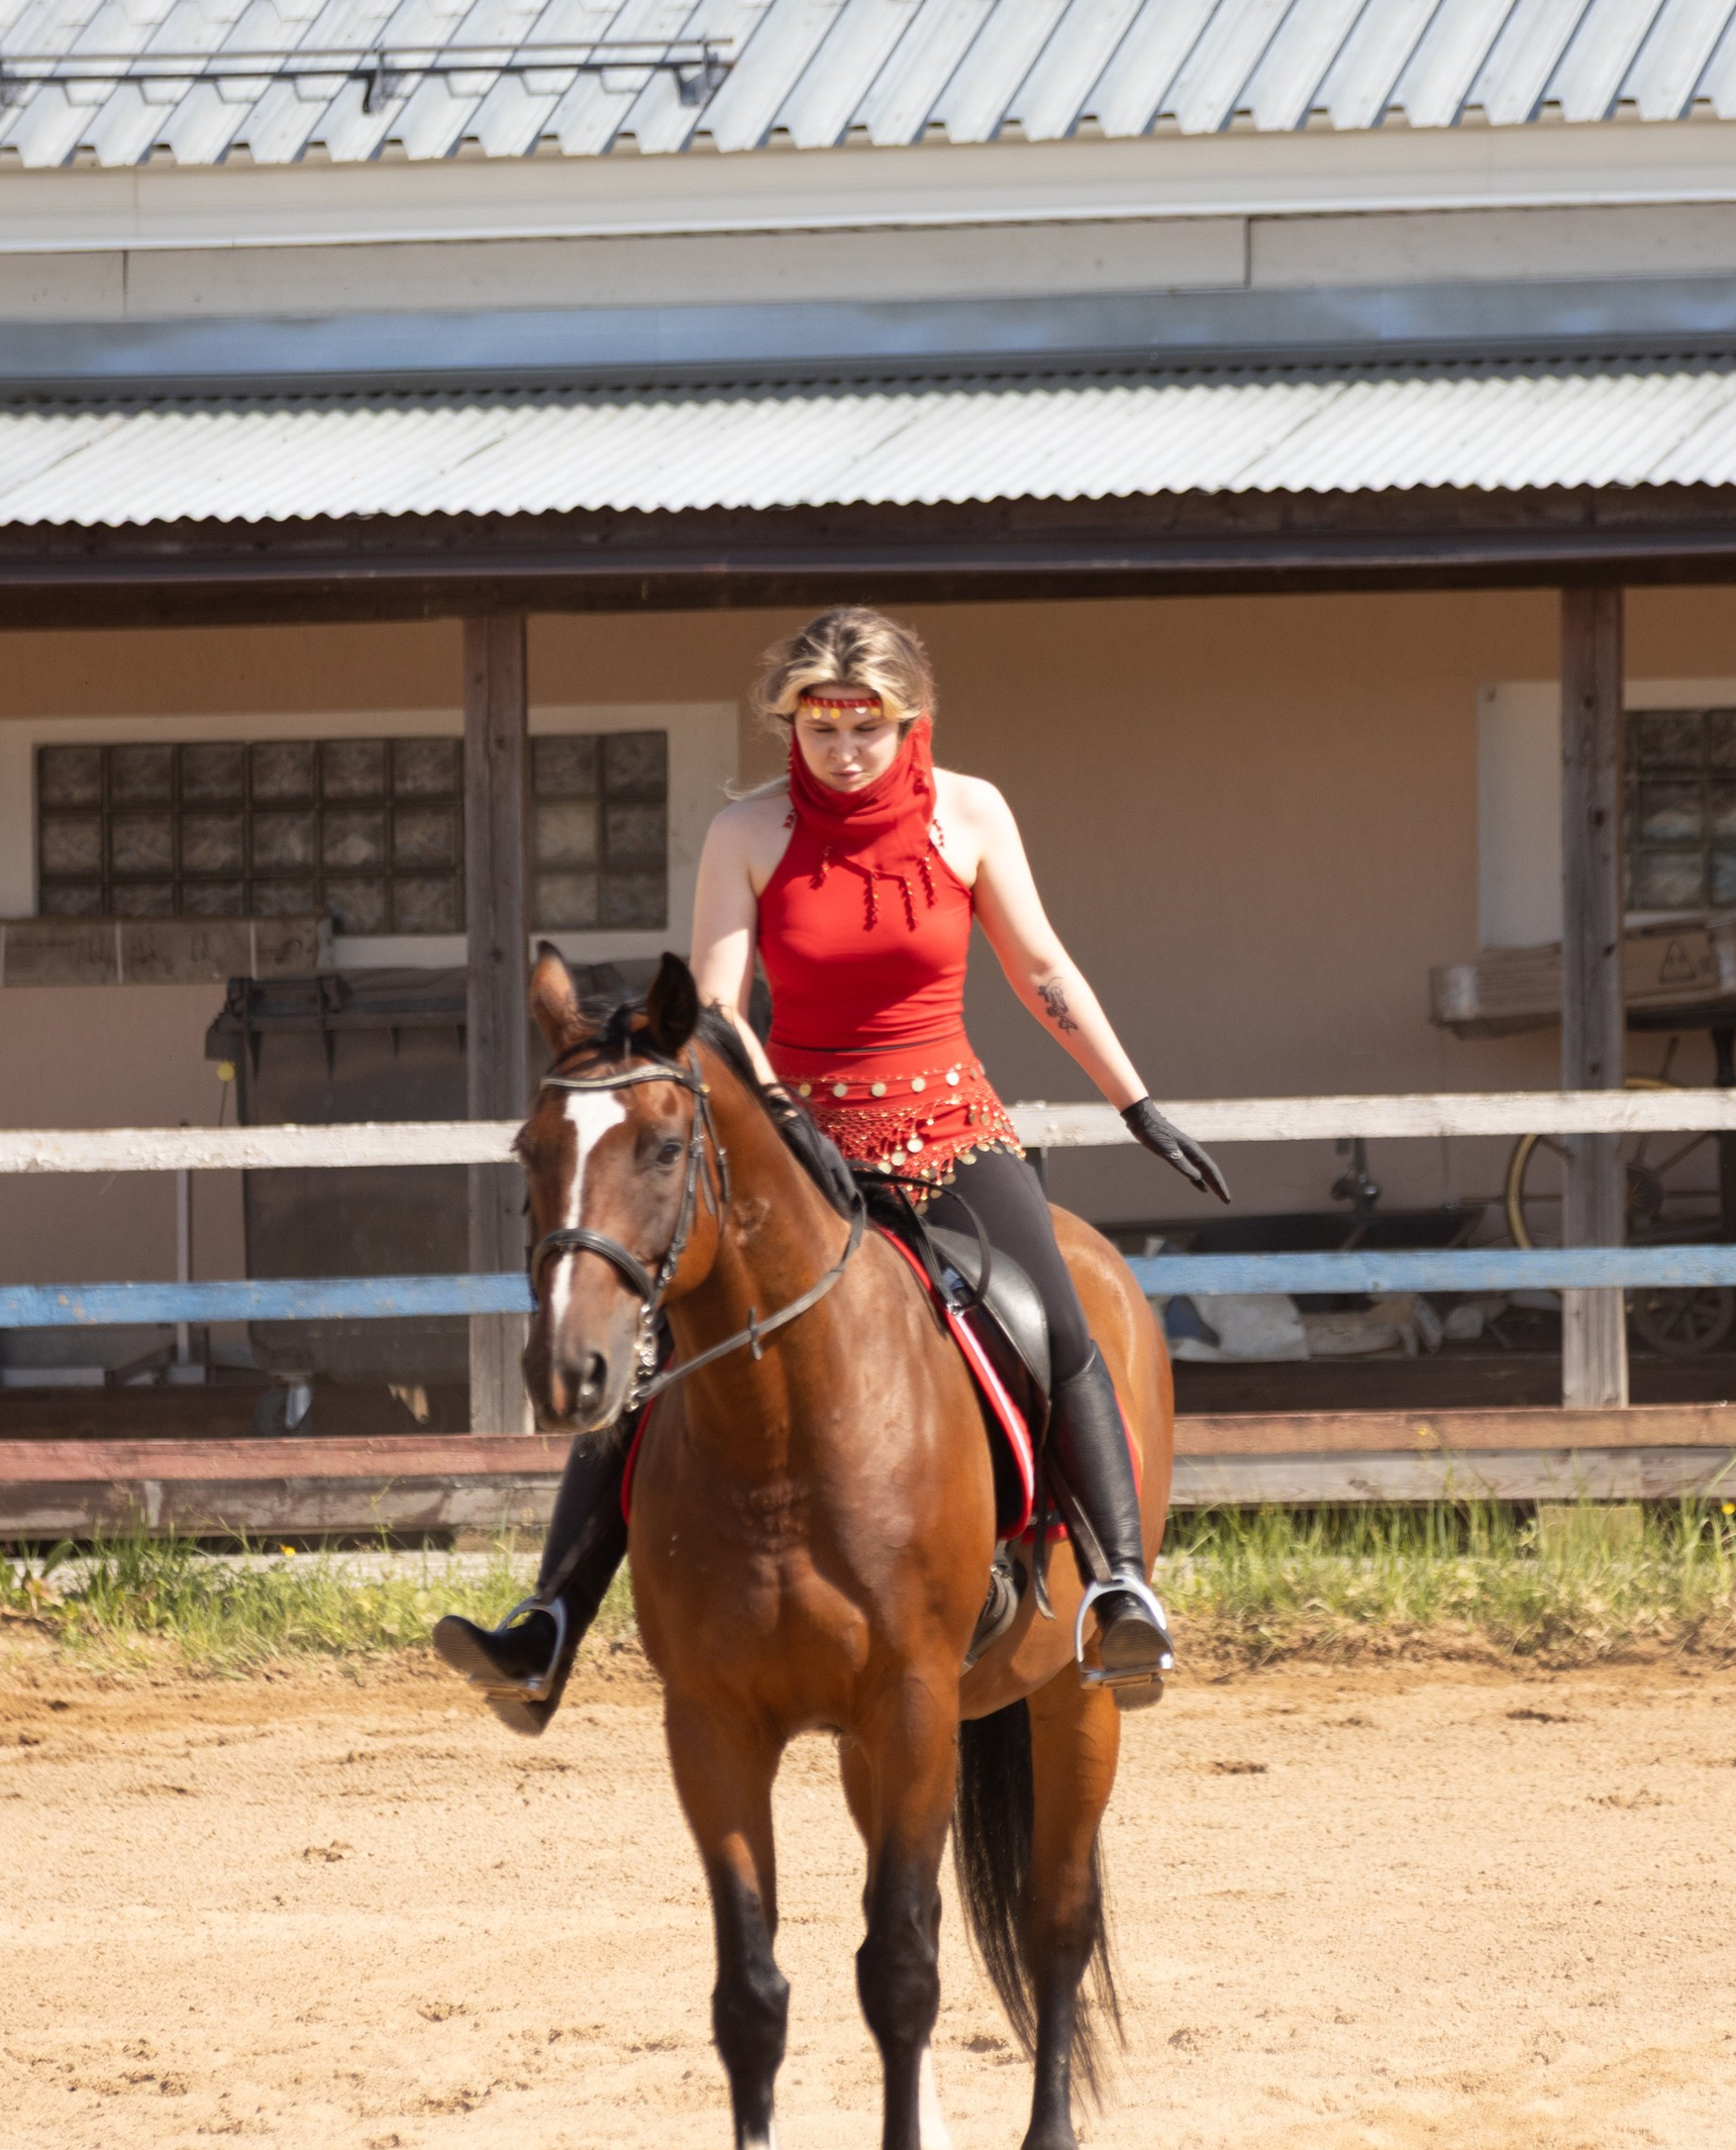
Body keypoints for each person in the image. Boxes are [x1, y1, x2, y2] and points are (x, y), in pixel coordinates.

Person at [434, 607, 1230, 1734]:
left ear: (911, 721)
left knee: (1057, 1320)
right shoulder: (745, 832)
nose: (844, 749)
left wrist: (1134, 1098)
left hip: (950, 1124)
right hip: (799, 1136)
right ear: (789, 726)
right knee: (662, 1340)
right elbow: (713, 1007)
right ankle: (547, 1625)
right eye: (820, 726)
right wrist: (774, 1113)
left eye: (867, 725)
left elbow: (1040, 966)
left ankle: (1117, 1589)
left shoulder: (972, 812)